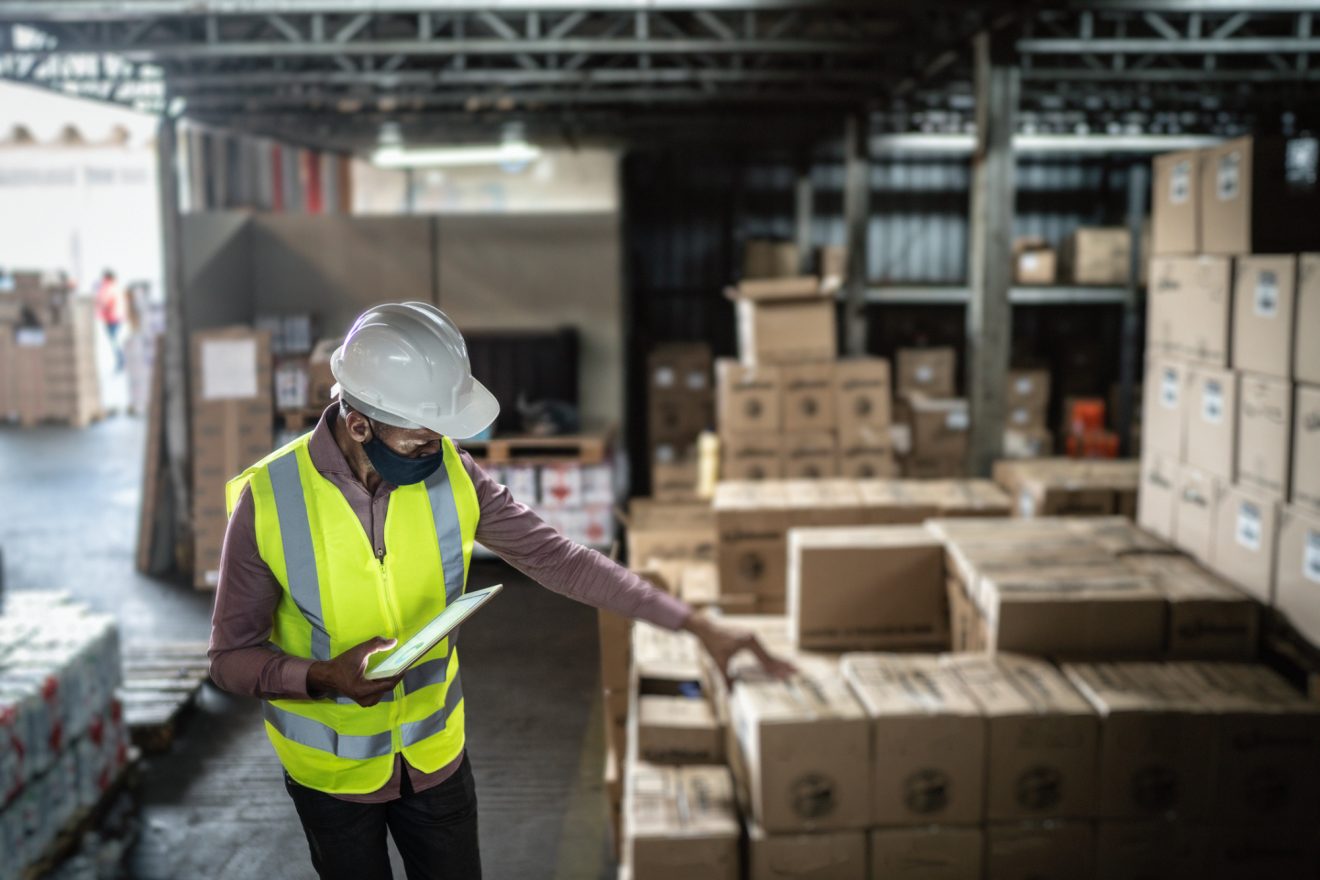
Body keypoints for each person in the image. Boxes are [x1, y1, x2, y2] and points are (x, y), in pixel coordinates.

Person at [208, 302, 790, 880]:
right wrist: (324, 678)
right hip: (330, 783)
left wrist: (696, 625)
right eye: (421, 437)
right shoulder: (270, 500)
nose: (439, 450)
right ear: (359, 424)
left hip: (436, 762)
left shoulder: (452, 475)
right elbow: (230, 661)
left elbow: (560, 560)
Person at [95, 269, 124, 371]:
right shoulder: (113, 287)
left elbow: (106, 303)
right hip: (115, 317)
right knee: (115, 341)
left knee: (115, 341)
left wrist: (103, 309)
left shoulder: (108, 288)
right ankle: (120, 361)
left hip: (112, 318)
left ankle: (121, 361)